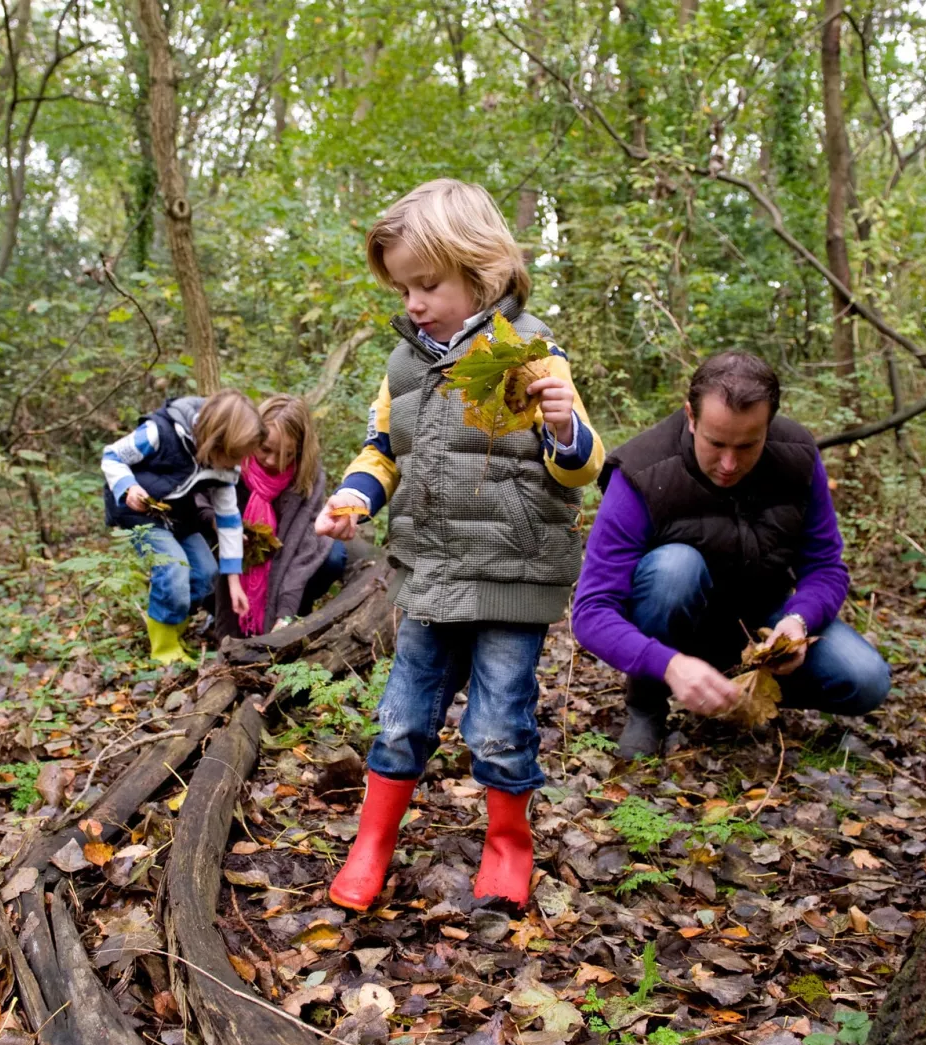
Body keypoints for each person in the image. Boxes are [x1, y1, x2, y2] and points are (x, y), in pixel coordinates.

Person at [314, 178, 605, 911]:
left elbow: (582, 467)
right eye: (403, 286)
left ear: (481, 271)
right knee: (403, 714)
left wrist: (565, 424)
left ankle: (509, 845)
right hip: (432, 571)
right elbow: (383, 449)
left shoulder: (530, 349)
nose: (412, 302)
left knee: (500, 721)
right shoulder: (405, 365)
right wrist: (353, 496)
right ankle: (372, 840)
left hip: (514, 573)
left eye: (427, 284)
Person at [572, 351, 890, 757]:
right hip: (676, 635)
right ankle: (648, 708)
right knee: (674, 568)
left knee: (866, 679)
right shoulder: (642, 472)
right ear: (691, 417)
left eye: (747, 445)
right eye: (715, 442)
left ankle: (738, 691)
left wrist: (798, 620)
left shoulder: (798, 457)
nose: (728, 463)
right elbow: (591, 611)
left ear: (769, 425)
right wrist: (667, 665)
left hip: (762, 627)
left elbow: (825, 566)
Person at [100, 391, 264, 664]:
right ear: (215, 440)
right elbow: (112, 456)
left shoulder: (225, 467)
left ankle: (172, 629)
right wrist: (129, 488)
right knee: (173, 568)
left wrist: (234, 580)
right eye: (234, 456)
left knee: (206, 574)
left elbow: (228, 518)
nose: (236, 464)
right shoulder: (159, 433)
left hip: (177, 515)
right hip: (138, 513)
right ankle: (164, 651)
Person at [204, 393, 347, 642]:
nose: (271, 461)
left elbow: (300, 548)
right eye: (265, 449)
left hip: (282, 556)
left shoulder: (308, 476)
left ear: (300, 451)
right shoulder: (230, 458)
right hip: (230, 552)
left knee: (334, 557)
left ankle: (289, 614)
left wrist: (286, 611)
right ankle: (215, 609)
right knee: (203, 563)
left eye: (286, 455)